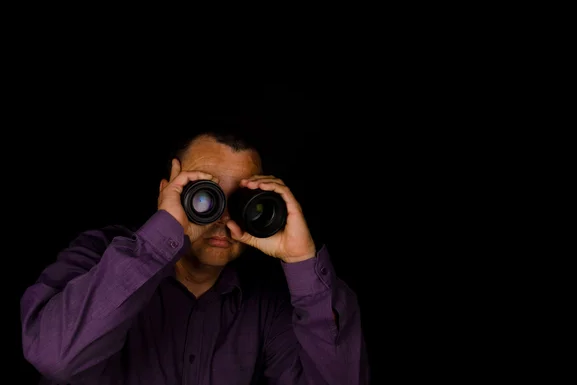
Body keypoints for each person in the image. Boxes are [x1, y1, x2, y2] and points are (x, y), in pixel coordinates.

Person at [20, 128, 370, 385]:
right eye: (205, 197)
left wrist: (302, 262)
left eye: (240, 202)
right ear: (167, 190)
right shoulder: (95, 255)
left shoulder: (268, 299)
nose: (222, 219)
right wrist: (165, 234)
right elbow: (56, 358)